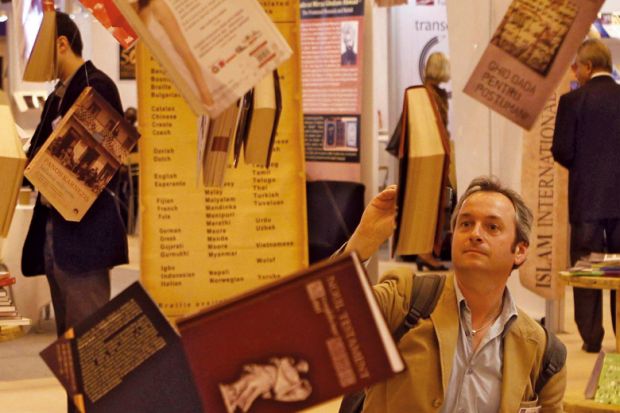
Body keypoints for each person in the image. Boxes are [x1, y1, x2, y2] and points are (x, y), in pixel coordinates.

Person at [343, 176, 566, 412]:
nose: (475, 234)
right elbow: (327, 319)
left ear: (519, 251)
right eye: (466, 224)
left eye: (492, 227)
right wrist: (363, 240)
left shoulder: (544, 353)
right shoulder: (406, 298)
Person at [21, 15, 128, 413]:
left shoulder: (96, 86)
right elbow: (35, 156)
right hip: (54, 239)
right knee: (74, 357)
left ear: (61, 43)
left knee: (93, 350)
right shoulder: (56, 95)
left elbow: (105, 164)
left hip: (83, 242)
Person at [552, 38, 620, 353]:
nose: (574, 72)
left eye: (576, 66)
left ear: (588, 66)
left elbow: (562, 151)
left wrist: (583, 167)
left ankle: (591, 338)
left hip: (586, 200)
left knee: (586, 268)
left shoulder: (572, 101)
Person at [137, 0, 214, 108]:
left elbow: (184, 50)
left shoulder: (157, 5)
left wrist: (204, 92)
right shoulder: (137, 13)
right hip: (169, 85)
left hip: (187, 75)